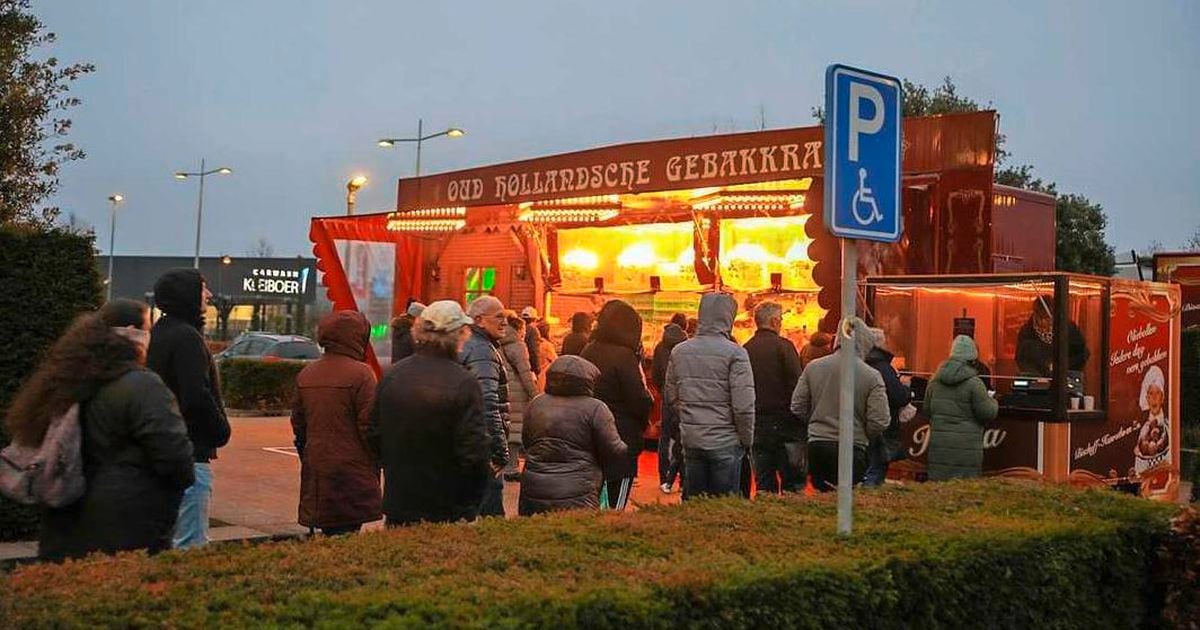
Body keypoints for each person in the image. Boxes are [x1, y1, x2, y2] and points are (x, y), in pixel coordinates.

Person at [4, 299, 194, 561]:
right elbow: (175, 456)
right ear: (133, 331)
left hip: (63, 512)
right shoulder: (142, 385)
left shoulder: (63, 381)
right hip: (129, 520)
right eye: (148, 328)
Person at [369, 301, 491, 525]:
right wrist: (471, 504)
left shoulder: (393, 375)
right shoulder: (463, 382)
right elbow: (474, 452)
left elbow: (374, 435)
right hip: (446, 508)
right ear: (459, 335)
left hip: (399, 504)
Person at [146, 268, 231, 549]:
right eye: (202, 288)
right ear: (187, 295)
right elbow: (195, 395)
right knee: (190, 544)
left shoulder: (163, 332)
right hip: (191, 454)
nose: (208, 294)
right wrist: (220, 429)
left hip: (170, 449)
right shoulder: (186, 338)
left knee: (168, 541)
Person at [291, 311, 380, 536]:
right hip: (352, 472)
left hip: (317, 469)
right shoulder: (362, 375)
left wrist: (308, 454)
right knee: (348, 533)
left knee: (329, 531)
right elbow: (369, 426)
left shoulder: (307, 374)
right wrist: (378, 460)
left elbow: (299, 426)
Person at [665, 293, 756, 499]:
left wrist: (689, 420)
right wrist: (746, 438)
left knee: (695, 504)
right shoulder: (736, 354)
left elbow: (671, 396)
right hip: (725, 440)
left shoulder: (679, 351)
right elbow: (743, 406)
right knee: (723, 507)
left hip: (691, 439)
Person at [518, 356, 628, 516]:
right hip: (579, 491)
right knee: (574, 536)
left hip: (534, 488)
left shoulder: (536, 403)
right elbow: (614, 450)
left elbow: (527, 442)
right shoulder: (596, 408)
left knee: (535, 536)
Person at [790, 317, 890, 492]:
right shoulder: (872, 376)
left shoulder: (813, 367)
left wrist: (816, 423)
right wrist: (862, 433)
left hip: (818, 444)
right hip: (853, 446)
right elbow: (879, 420)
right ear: (865, 343)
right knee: (847, 501)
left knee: (822, 500)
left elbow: (797, 406)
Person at [581, 300, 653, 510]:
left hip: (590, 432)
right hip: (621, 435)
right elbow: (638, 398)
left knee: (592, 498)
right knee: (616, 504)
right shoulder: (624, 356)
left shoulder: (589, 349)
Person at [743, 302, 804, 494]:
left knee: (763, 480)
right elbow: (797, 385)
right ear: (775, 321)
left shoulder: (746, 349)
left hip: (756, 422)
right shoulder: (784, 347)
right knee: (791, 481)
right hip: (785, 423)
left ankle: (765, 514)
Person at [458, 295, 511, 517]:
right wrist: (499, 453)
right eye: (499, 317)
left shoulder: (471, 345)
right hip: (483, 450)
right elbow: (487, 403)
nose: (505, 322)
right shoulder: (481, 350)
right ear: (479, 320)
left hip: (469, 445)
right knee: (490, 519)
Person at [924, 335, 1000, 480]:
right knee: (964, 492)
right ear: (972, 359)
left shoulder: (934, 381)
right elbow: (988, 413)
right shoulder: (975, 384)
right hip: (966, 451)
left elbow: (927, 410)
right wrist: (994, 402)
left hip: (940, 448)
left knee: (939, 493)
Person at [862, 328, 912, 487]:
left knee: (865, 468)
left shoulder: (858, 365)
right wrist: (906, 389)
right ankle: (868, 502)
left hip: (859, 424)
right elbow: (898, 396)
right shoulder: (883, 368)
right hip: (882, 426)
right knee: (876, 468)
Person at [499, 312, 539, 481]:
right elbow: (525, 373)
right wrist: (535, 394)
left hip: (504, 389)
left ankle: (508, 465)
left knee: (508, 428)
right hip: (517, 391)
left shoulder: (498, 341)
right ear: (518, 328)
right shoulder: (517, 345)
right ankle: (512, 467)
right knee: (516, 429)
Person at [650, 316, 688, 493]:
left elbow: (656, 373)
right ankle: (682, 478)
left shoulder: (659, 347)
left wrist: (664, 389)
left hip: (667, 395)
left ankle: (664, 477)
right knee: (683, 437)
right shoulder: (685, 348)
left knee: (665, 438)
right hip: (684, 395)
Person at [1015, 296, 1090, 377]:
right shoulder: (1026, 332)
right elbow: (1021, 359)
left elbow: (1082, 354)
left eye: (1047, 318)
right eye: (1040, 318)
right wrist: (1036, 375)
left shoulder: (1068, 329)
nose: (1043, 322)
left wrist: (1063, 367)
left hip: (1064, 380)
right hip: (1037, 382)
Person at [534, 321, 558, 391]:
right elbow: (555, 360)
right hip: (544, 376)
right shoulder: (547, 345)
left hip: (536, 374)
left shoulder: (536, 343)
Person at [520, 306, 542, 374]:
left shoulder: (517, 329)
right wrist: (537, 369)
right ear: (534, 319)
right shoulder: (533, 330)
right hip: (528, 367)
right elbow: (534, 351)